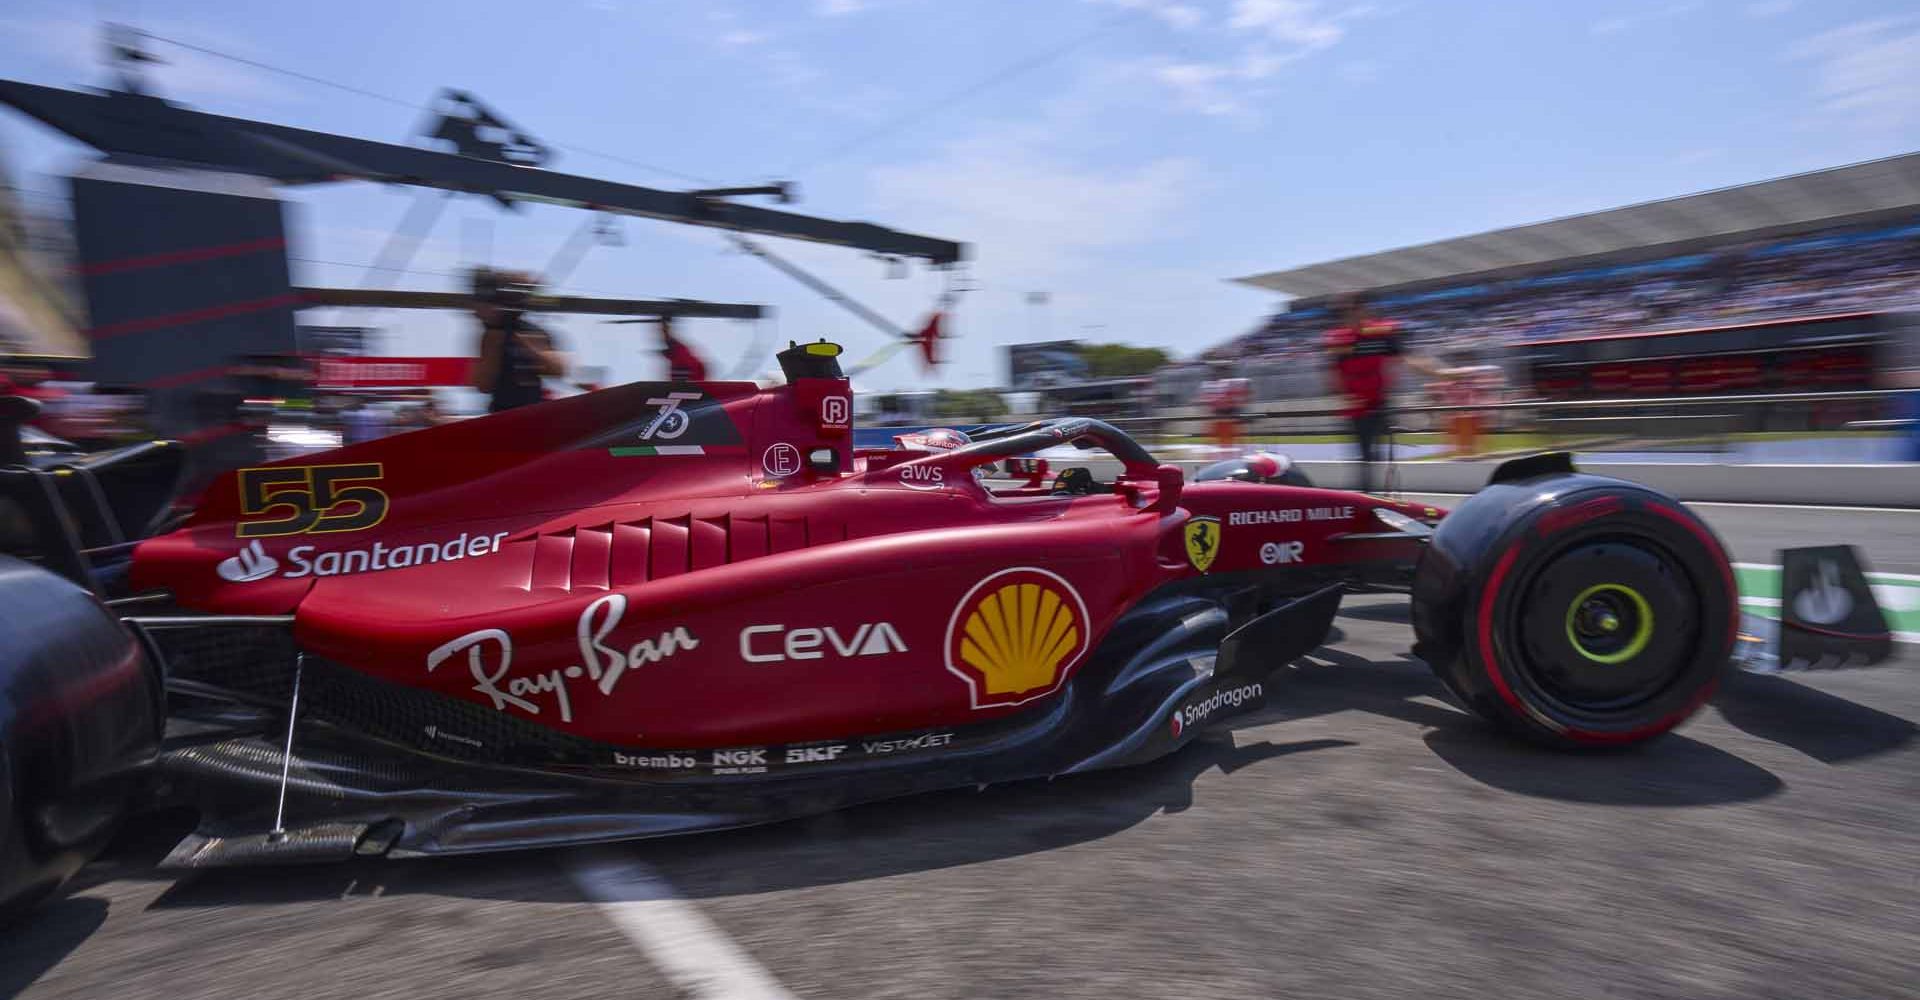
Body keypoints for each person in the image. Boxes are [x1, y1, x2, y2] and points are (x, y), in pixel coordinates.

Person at [1324, 294, 1451, 493]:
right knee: (1365, 456)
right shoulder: (1338, 338)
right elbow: (1333, 372)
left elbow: (1407, 358)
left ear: (1363, 310)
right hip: (1357, 408)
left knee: (1382, 452)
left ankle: (1384, 496)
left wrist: (1437, 372)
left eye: (1353, 311)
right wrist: (1344, 396)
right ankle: (1367, 497)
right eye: (1344, 313)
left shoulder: (1380, 332)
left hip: (1380, 402)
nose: (1349, 317)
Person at [469, 268, 568, 413]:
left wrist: (529, 347)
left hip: (532, 413)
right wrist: (495, 343)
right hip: (503, 415)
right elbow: (483, 386)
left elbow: (558, 371)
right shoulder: (491, 336)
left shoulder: (534, 333)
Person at [658, 315, 709, 382]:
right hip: (689, 377)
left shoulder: (680, 351)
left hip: (689, 375)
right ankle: (665, 324)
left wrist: (664, 324)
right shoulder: (680, 354)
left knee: (671, 343)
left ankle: (665, 324)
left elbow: (667, 338)